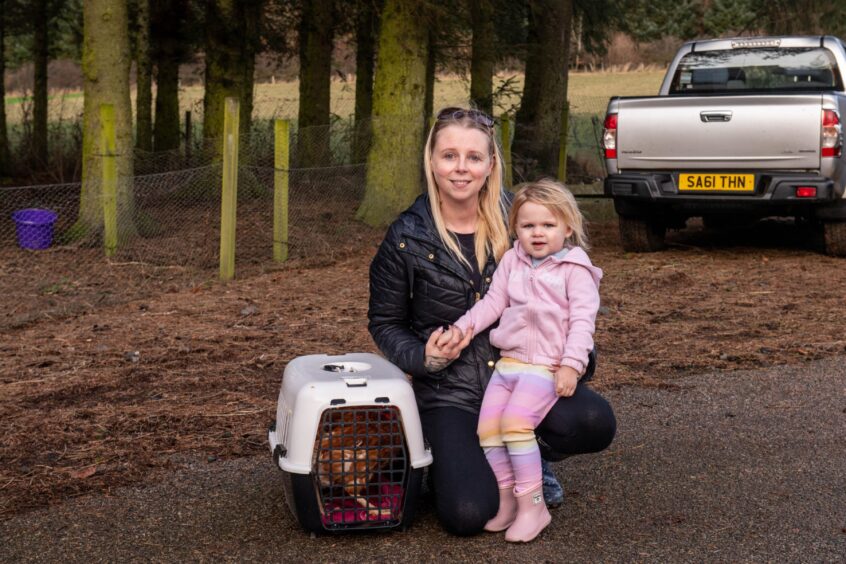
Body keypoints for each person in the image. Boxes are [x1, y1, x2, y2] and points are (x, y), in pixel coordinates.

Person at [368, 107, 616, 536]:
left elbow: (573, 300)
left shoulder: (523, 218)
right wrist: (423, 356)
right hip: (453, 391)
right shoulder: (406, 236)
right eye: (449, 155)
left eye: (473, 157)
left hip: (526, 371)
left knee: (594, 423)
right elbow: (384, 322)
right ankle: (447, 453)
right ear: (431, 161)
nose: (460, 168)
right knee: (466, 513)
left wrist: (575, 361)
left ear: (490, 165)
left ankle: (529, 458)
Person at [447, 179, 602, 542]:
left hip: (546, 367)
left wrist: (571, 365)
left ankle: (534, 506)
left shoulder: (576, 271)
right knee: (489, 429)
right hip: (510, 364)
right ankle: (508, 502)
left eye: (548, 226)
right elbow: (492, 304)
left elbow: (583, 323)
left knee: (516, 424)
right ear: (515, 227)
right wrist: (460, 328)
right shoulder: (512, 261)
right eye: (528, 225)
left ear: (567, 227)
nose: (537, 234)